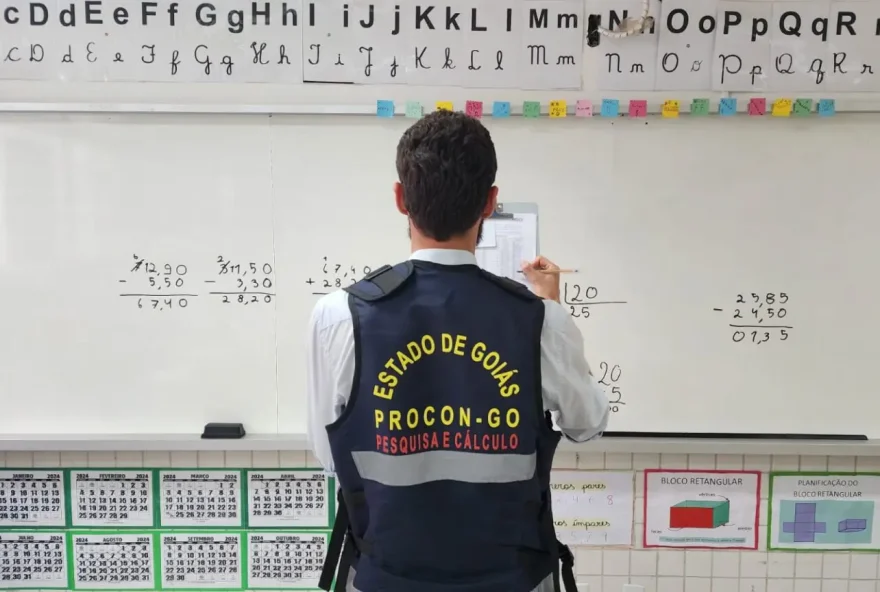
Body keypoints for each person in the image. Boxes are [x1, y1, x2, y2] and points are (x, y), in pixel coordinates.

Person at [306, 110, 609, 592]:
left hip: (387, 578)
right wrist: (553, 312)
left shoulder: (340, 314)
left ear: (401, 199)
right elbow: (586, 423)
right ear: (490, 203)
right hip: (511, 580)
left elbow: (330, 456)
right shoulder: (538, 319)